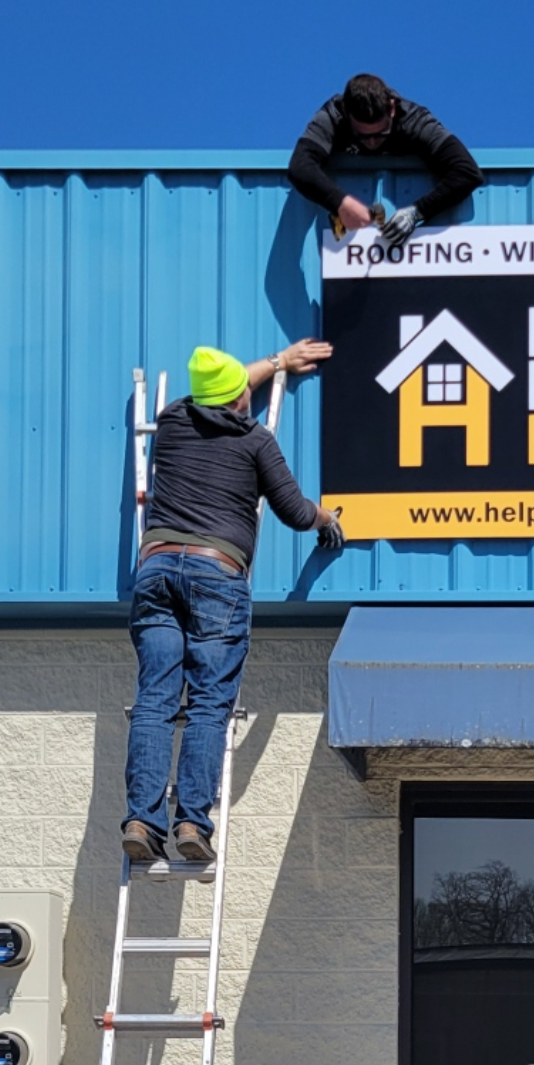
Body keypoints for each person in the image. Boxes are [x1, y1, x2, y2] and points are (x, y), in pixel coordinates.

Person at [122, 340, 339, 866]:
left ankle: (139, 821)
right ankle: (192, 823)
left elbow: (229, 382)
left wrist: (277, 362)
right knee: (208, 705)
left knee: (154, 700)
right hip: (216, 572)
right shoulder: (255, 440)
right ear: (241, 399)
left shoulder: (171, 420)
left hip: (154, 570)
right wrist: (327, 518)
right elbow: (291, 510)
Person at [287, 71, 481, 252]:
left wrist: (417, 212)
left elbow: (467, 171)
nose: (371, 143)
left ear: (392, 109)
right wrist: (340, 203)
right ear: (347, 114)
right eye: (361, 137)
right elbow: (300, 167)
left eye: (381, 134)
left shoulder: (413, 120)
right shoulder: (332, 116)